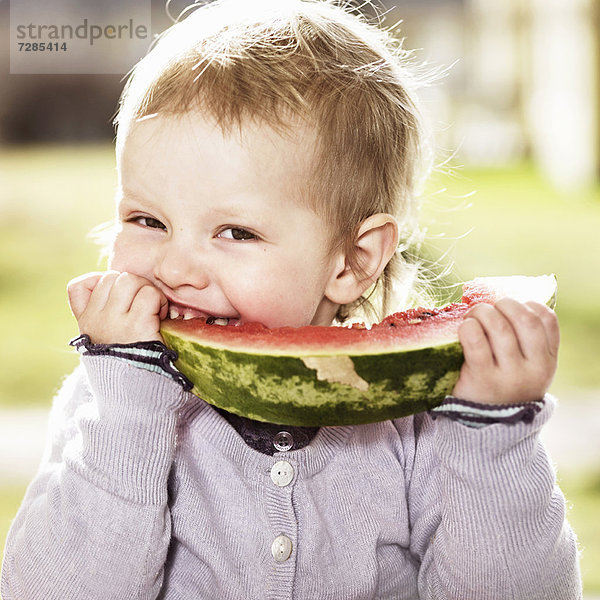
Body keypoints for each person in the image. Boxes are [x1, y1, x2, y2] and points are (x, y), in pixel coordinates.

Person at [1, 1, 582, 598]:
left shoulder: (417, 423)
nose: (174, 269)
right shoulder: (111, 402)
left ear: (353, 260)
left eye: (236, 233)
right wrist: (128, 408)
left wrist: (491, 442)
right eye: (148, 220)